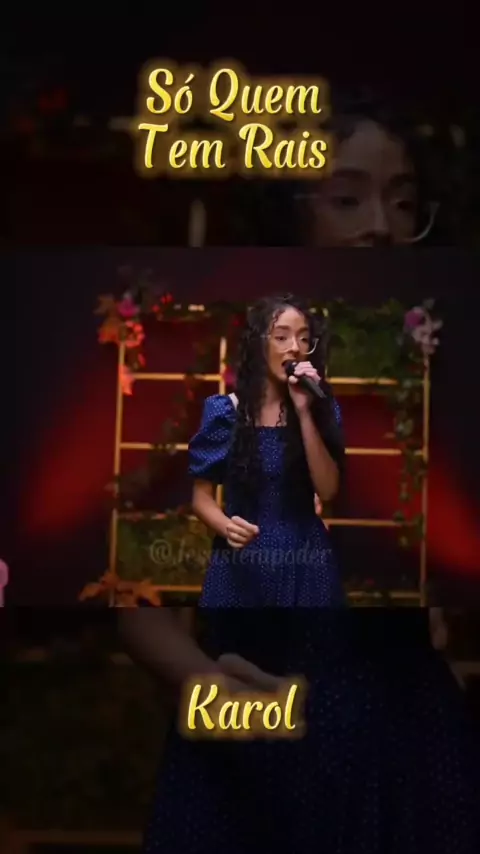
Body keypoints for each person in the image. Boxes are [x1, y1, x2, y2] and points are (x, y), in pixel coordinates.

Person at [188, 293, 346, 607]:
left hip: (305, 562)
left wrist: (305, 412)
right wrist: (226, 527)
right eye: (282, 337)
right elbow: (201, 498)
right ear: (259, 346)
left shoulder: (320, 408)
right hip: (242, 566)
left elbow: (328, 491)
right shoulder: (226, 412)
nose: (295, 347)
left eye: (304, 338)